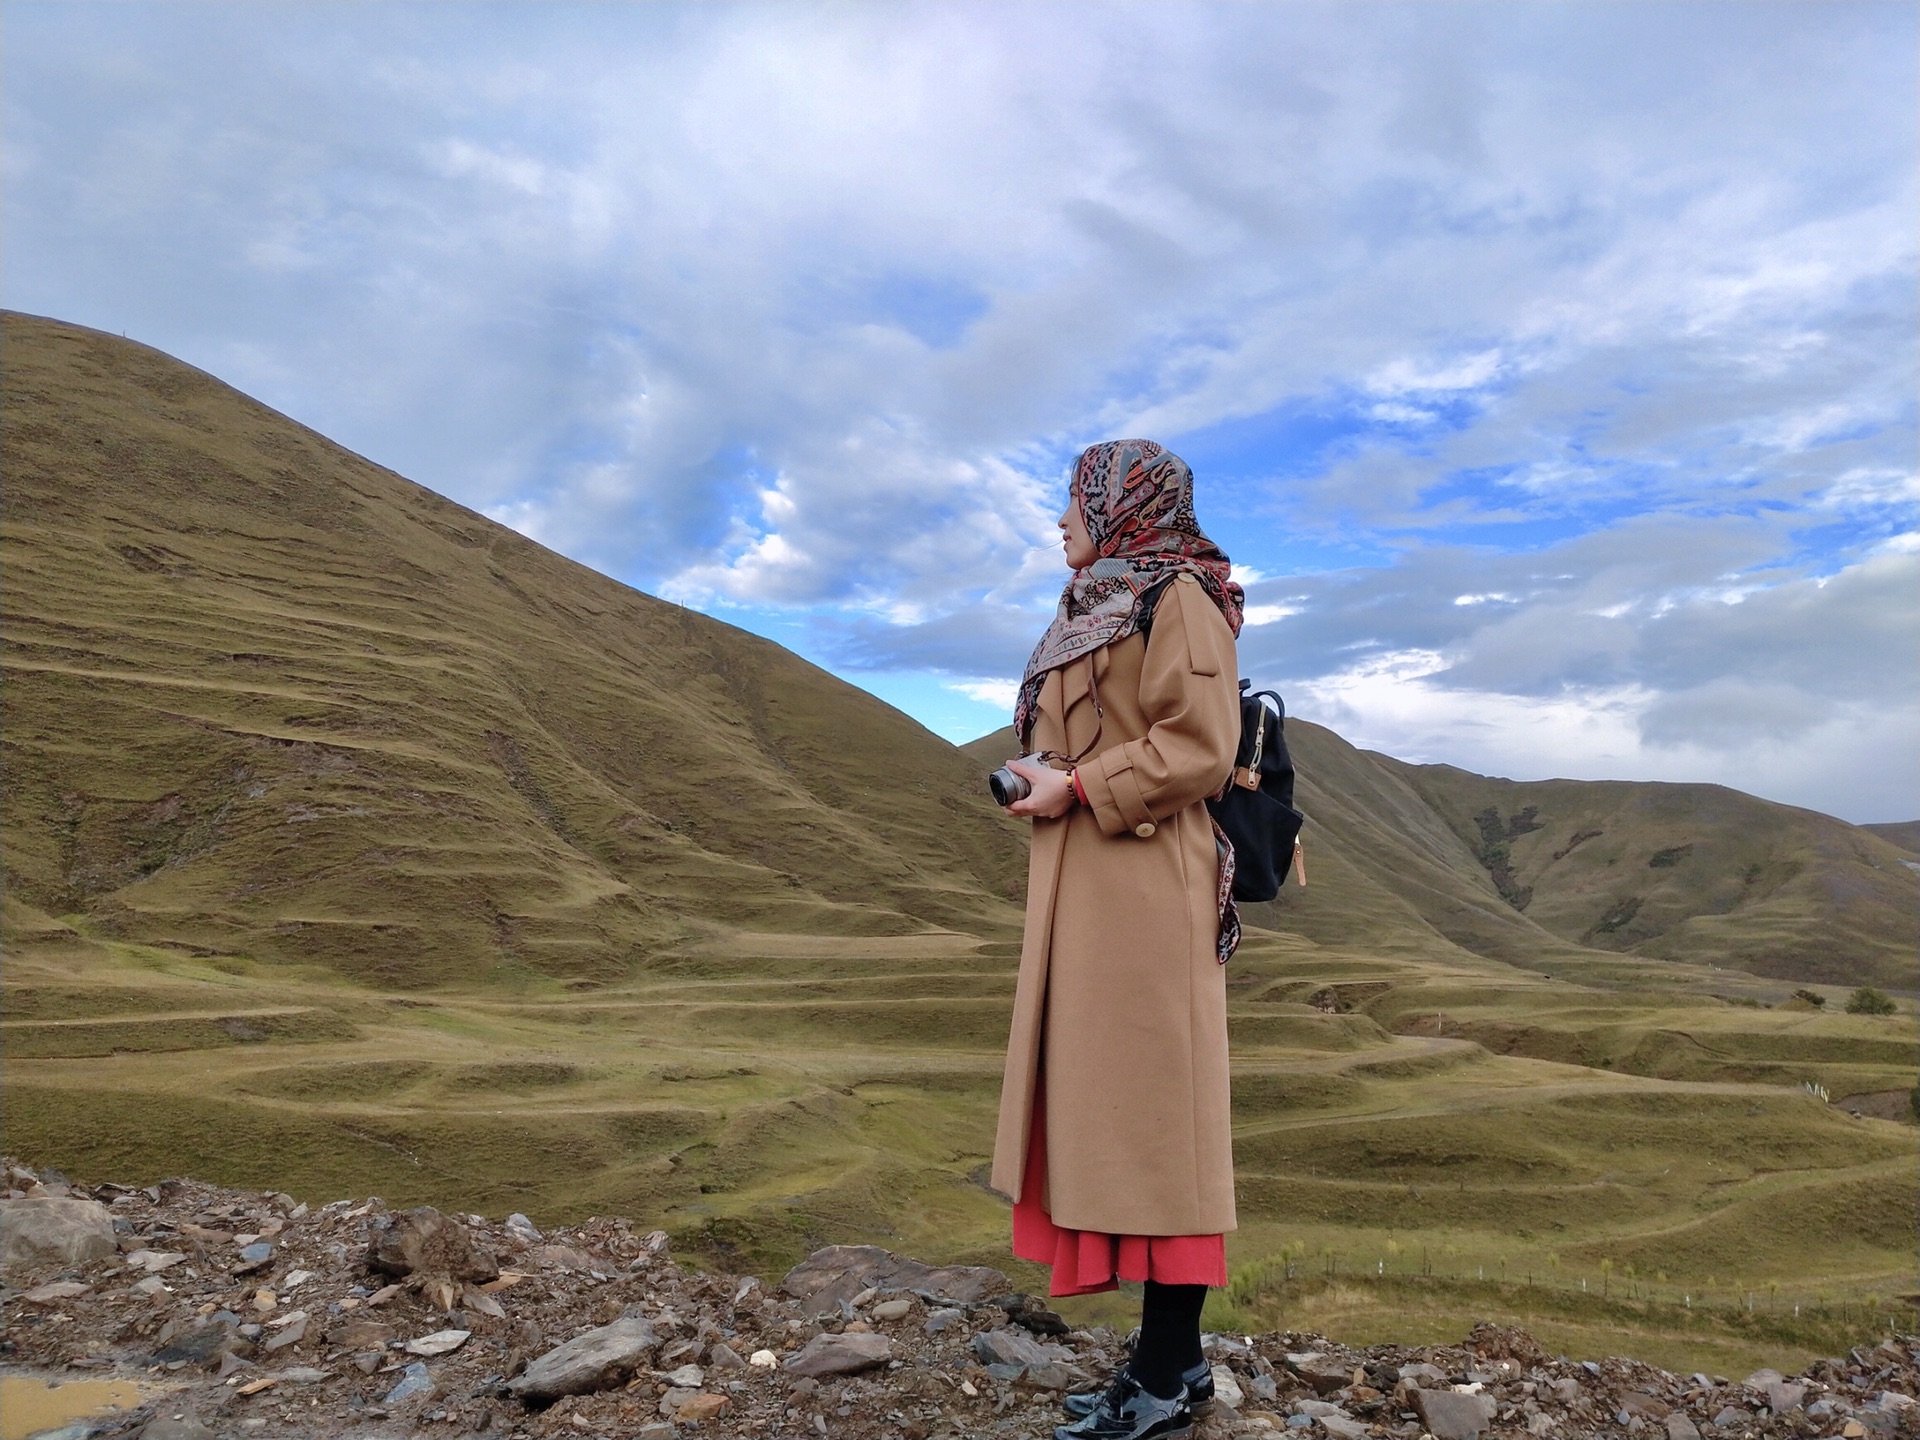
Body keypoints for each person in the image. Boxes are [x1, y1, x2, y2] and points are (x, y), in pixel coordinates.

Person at [992, 439, 1245, 1440]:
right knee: (1114, 1113)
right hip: (1087, 886)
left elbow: (1201, 745)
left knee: (1162, 1128)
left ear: (1119, 503)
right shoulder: (1095, 602)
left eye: (1073, 500)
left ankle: (1166, 1377)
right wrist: (1047, 773)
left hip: (1147, 890)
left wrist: (1081, 786)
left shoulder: (1177, 595)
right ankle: (1174, 1365)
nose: (1061, 519)